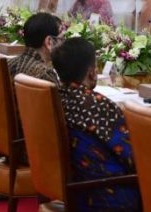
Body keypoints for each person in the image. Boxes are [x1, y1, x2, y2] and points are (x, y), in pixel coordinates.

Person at [51, 38, 140, 211]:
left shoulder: (54, 97)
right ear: (92, 72)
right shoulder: (96, 104)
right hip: (105, 192)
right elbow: (132, 157)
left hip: (75, 185)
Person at [8, 12, 61, 84]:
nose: (62, 44)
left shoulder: (8, 64)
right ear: (49, 42)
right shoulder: (45, 75)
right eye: (60, 39)